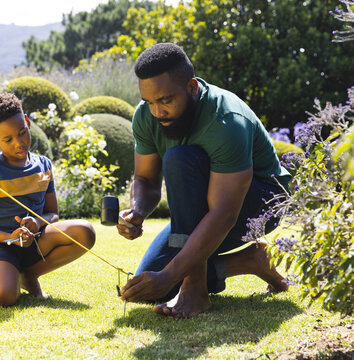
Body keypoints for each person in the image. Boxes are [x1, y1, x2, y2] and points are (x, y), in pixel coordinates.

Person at [117, 43, 290, 318]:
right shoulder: (147, 115)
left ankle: (195, 291)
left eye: (165, 100)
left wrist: (175, 274)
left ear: (192, 88)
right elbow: (145, 179)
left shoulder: (226, 122)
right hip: (204, 207)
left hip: (260, 202)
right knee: (154, 285)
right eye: (149, 102)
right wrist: (137, 209)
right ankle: (252, 260)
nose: (156, 112)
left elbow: (223, 214)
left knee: (178, 159)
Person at [0, 93, 95, 307]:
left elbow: (53, 213)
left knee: (84, 232)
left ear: (28, 123)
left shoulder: (44, 165)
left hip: (33, 240)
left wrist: (37, 222)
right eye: (8, 139)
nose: (19, 143)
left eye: (23, 132)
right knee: (2, 297)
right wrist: (8, 237)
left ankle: (28, 275)